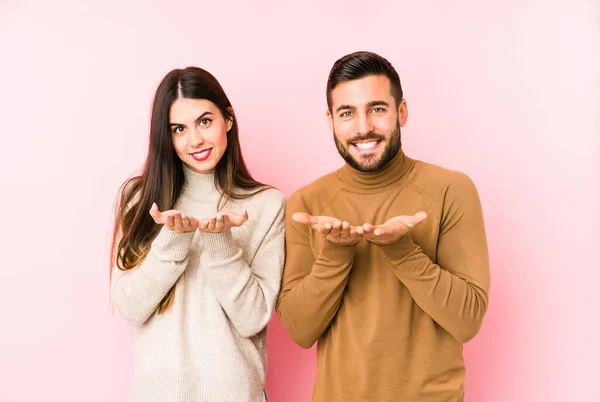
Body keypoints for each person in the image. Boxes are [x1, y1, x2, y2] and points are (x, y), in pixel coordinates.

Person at [276, 51, 490, 402]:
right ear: (331, 120)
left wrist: (401, 249)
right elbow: (300, 330)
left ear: (401, 112)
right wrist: (335, 253)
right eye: (347, 113)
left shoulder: (451, 190)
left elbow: (467, 320)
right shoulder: (307, 204)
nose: (363, 128)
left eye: (377, 109)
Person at [110, 66, 285, 402]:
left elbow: (252, 319)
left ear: (228, 120)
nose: (195, 141)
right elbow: (131, 307)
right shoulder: (139, 199)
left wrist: (221, 244)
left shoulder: (265, 205)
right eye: (179, 128)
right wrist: (172, 241)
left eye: (205, 121)